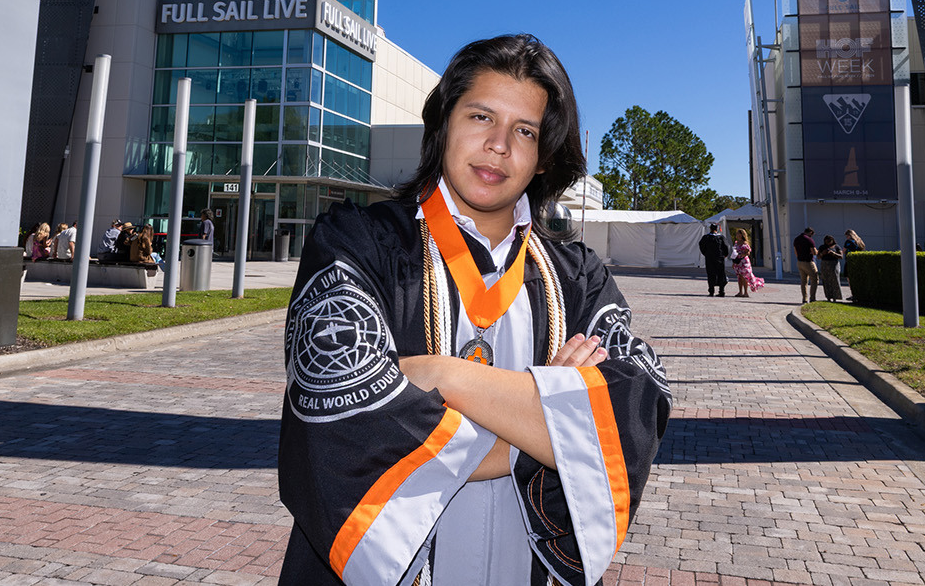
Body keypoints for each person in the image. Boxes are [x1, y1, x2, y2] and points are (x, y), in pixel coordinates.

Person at [278, 34, 671, 586]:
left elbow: (635, 411)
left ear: (542, 157)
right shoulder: (357, 246)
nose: (499, 145)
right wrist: (553, 424)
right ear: (443, 124)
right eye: (481, 115)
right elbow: (344, 435)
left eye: (525, 131)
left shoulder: (578, 276)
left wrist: (443, 375)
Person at [728, 228, 764, 296]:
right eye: (737, 234)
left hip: (744, 261)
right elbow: (734, 253)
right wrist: (733, 263)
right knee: (739, 277)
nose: (737, 235)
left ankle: (746, 292)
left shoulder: (745, 243)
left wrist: (742, 254)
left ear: (742, 234)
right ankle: (740, 292)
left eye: (739, 233)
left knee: (745, 276)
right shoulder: (736, 243)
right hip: (737, 261)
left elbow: (748, 252)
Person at [698, 222, 730, 297]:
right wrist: (725, 255)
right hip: (719, 258)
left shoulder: (706, 237)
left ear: (710, 229)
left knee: (711, 274)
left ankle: (711, 291)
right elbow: (726, 246)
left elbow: (701, 246)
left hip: (710, 259)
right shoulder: (721, 237)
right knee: (721, 274)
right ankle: (721, 291)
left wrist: (706, 254)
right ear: (717, 229)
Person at [793, 227, 819, 303]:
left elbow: (795, 252)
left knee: (804, 281)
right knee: (815, 279)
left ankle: (804, 298)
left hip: (799, 262)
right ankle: (812, 298)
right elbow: (814, 252)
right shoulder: (809, 240)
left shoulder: (796, 239)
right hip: (808, 262)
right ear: (810, 232)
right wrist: (818, 252)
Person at [818, 235, 844, 301]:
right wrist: (822, 254)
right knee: (826, 280)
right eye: (827, 241)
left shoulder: (837, 247)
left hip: (834, 264)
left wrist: (833, 253)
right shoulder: (822, 247)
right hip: (825, 264)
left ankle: (835, 297)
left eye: (830, 241)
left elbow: (841, 256)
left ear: (833, 240)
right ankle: (828, 297)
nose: (828, 243)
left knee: (835, 280)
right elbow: (818, 257)